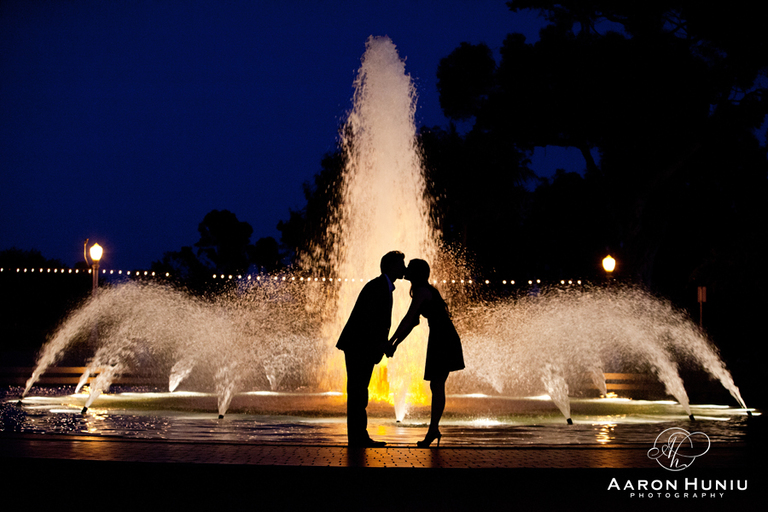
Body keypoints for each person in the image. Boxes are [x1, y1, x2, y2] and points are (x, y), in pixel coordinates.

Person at [387, 259, 464, 447]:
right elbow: (412, 324)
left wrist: (391, 342)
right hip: (442, 336)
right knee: (436, 386)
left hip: (442, 338)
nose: (406, 270)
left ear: (416, 273)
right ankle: (433, 429)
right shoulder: (425, 290)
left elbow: (408, 319)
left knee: (437, 386)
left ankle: (433, 430)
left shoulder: (421, 292)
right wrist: (395, 343)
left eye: (409, 268)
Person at [336, 250, 406, 447]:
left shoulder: (381, 286)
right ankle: (358, 438)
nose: (404, 268)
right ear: (391, 266)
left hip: (359, 346)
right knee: (358, 392)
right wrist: (383, 344)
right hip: (358, 347)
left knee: (359, 392)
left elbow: (373, 322)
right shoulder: (378, 287)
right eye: (402, 264)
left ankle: (358, 437)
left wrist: (383, 344)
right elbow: (369, 321)